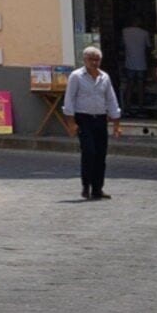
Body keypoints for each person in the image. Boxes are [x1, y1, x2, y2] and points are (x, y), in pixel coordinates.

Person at [62, 45, 122, 200]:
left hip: (100, 119)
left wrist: (116, 123)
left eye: (97, 60)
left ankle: (97, 188)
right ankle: (86, 185)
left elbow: (111, 99)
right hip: (84, 119)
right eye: (91, 59)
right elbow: (69, 100)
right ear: (85, 60)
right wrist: (71, 123)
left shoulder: (105, 77)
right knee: (89, 152)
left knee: (101, 155)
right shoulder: (76, 76)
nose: (94, 63)